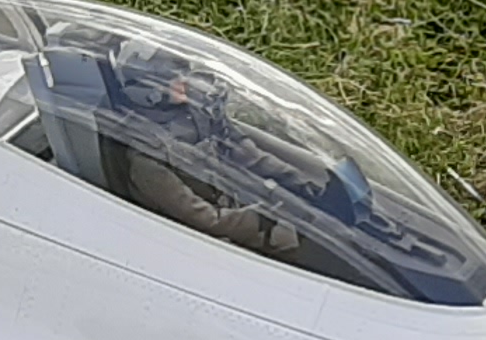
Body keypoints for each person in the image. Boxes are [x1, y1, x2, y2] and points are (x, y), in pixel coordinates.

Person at [93, 34, 337, 257]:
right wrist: (267, 221)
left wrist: (302, 185)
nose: (184, 83)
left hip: (243, 210)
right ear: (147, 90)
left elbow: (244, 151)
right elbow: (203, 219)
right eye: (172, 80)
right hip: (220, 244)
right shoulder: (145, 156)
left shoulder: (193, 113)